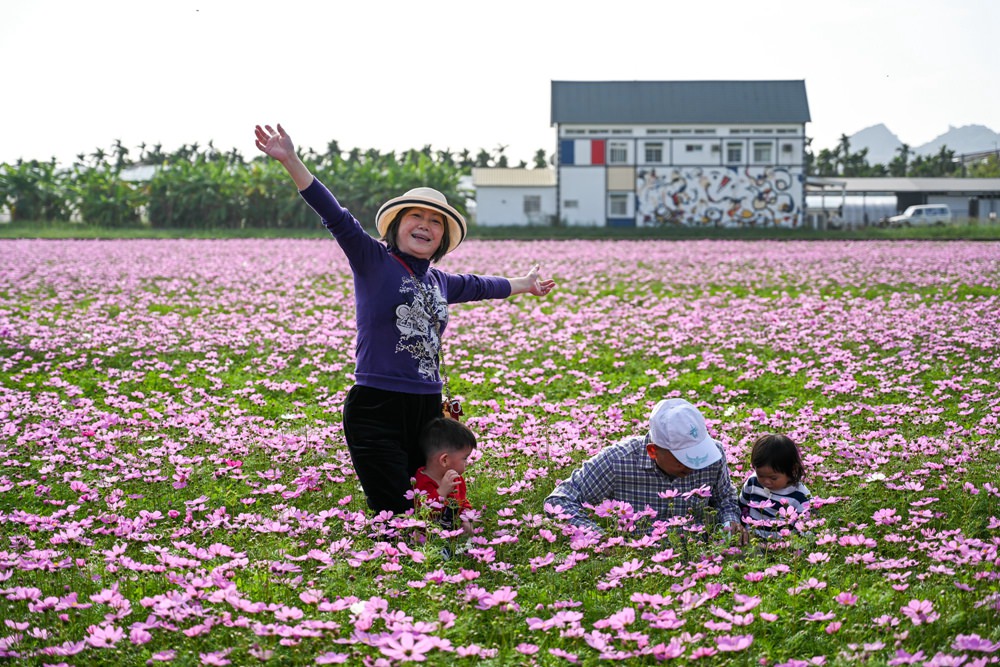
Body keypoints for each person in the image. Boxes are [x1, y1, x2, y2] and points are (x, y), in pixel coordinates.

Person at [254, 124, 555, 515]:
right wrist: (292, 161)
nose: (425, 224)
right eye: (416, 216)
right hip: (377, 404)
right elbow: (336, 216)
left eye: (435, 222)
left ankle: (445, 542)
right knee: (395, 510)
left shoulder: (439, 281)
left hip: (427, 406)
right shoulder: (372, 260)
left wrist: (524, 284)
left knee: (432, 505)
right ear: (396, 226)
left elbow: (481, 285)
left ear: (442, 239)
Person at [543, 398, 742, 537]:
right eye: (683, 458)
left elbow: (724, 498)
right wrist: (599, 538)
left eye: (699, 452)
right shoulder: (618, 460)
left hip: (699, 557)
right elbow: (560, 500)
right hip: (637, 560)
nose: (695, 464)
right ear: (653, 451)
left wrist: (729, 522)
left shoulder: (714, 455)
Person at [738, 434, 811, 538]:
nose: (766, 482)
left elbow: (804, 527)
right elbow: (741, 507)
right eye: (760, 475)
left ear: (792, 470)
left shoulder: (800, 495)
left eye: (773, 478)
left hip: (782, 543)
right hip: (751, 539)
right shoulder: (752, 482)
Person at [413, 418, 477, 536]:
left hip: (453, 539)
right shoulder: (420, 482)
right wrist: (441, 492)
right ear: (444, 460)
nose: (467, 463)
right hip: (429, 541)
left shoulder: (456, 479)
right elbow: (420, 514)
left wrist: (467, 518)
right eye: (464, 458)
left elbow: (463, 503)